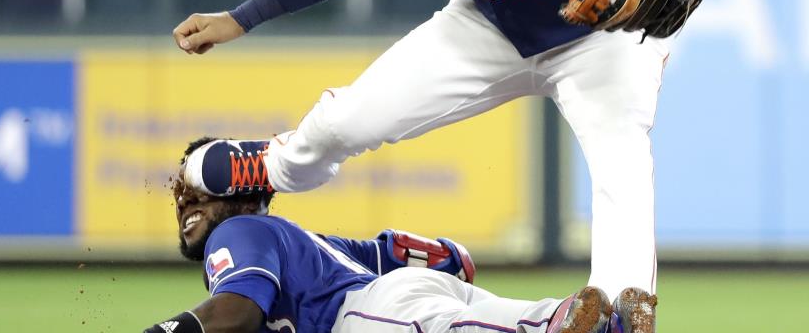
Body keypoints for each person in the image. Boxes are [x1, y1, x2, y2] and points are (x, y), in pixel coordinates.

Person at [171, 0, 737, 331]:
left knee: (620, 155)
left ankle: (616, 315)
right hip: (489, 25)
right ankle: (267, 166)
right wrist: (240, 17)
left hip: (599, 37)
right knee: (350, 117)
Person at [144, 136, 616, 333]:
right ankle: (610, 320)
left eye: (199, 194)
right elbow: (444, 260)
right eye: (181, 197)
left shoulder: (239, 232)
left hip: (369, 317)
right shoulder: (309, 244)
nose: (185, 201)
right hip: (416, 295)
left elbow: (237, 311)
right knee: (546, 320)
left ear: (244, 196)